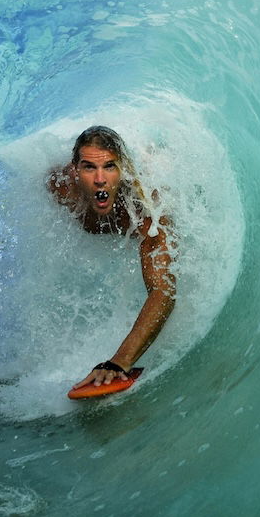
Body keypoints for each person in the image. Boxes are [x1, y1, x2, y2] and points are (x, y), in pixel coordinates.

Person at [46, 126, 176, 390]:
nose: (100, 179)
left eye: (109, 166)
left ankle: (151, 153)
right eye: (88, 168)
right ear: (75, 170)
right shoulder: (61, 188)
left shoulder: (145, 209)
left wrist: (119, 362)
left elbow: (163, 291)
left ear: (123, 169)